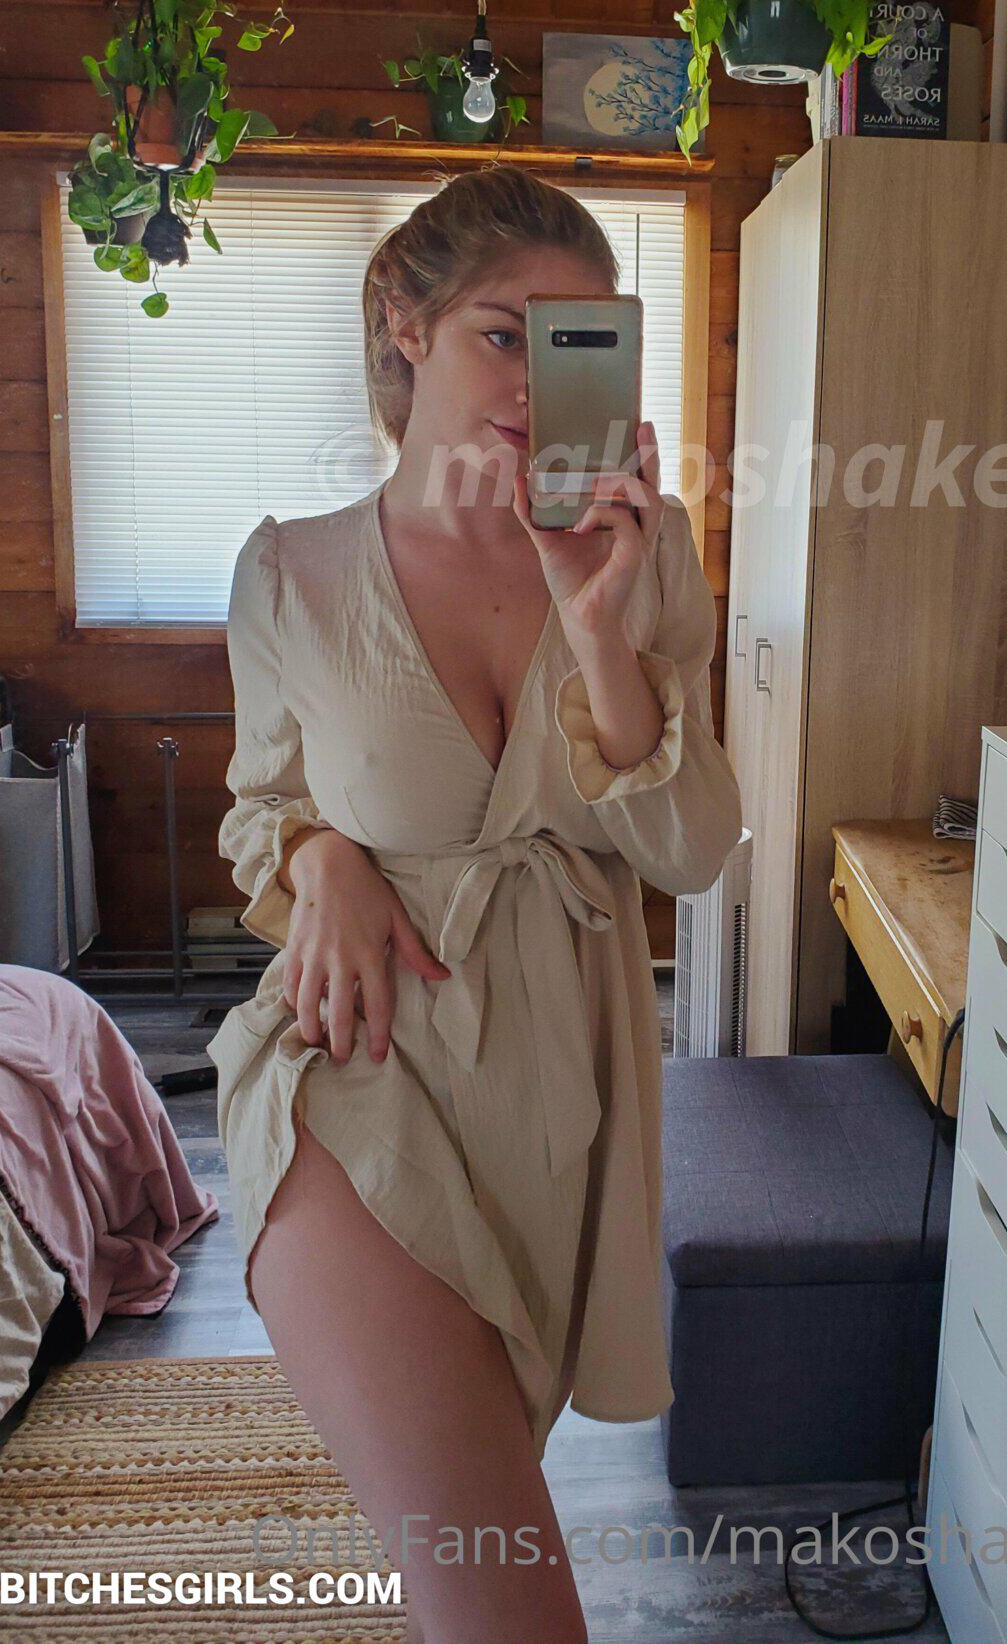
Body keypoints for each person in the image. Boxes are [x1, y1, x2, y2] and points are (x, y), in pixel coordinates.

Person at [207, 166, 742, 1643]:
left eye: (577, 347)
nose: (532, 385)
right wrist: (320, 860)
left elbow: (693, 850)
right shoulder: (292, 573)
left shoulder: (645, 551)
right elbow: (261, 806)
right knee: (502, 1601)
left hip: (560, 1102)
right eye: (504, 335)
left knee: (484, 1522)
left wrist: (599, 627)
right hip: (354, 1073)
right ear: (406, 321)